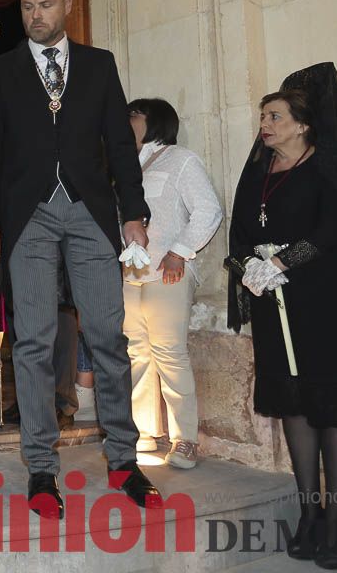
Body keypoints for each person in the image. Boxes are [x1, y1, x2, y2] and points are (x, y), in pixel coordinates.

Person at [0, 0, 159, 516]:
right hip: (27, 215)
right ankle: (41, 468)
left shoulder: (99, 65)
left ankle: (123, 459)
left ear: (67, 5)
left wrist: (134, 212)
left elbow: (120, 148)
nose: (35, 15)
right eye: (27, 7)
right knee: (31, 340)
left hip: (89, 212)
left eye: (46, 5)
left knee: (107, 335)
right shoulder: (2, 72)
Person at [227, 64, 337, 569]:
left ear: (302, 124)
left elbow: (334, 229)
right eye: (262, 116)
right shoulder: (258, 172)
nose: (266, 124)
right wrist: (246, 268)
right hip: (271, 304)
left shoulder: (328, 167)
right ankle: (309, 514)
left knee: (332, 406)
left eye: (275, 116)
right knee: (295, 405)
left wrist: (281, 262)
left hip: (323, 303)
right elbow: (240, 229)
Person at [122, 98, 222, 468]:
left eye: (133, 114)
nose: (125, 120)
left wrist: (179, 251)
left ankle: (184, 440)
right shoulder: (123, 166)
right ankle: (145, 432)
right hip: (131, 274)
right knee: (136, 353)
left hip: (168, 271)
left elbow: (208, 210)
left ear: (155, 121)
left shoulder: (180, 159)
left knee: (169, 352)